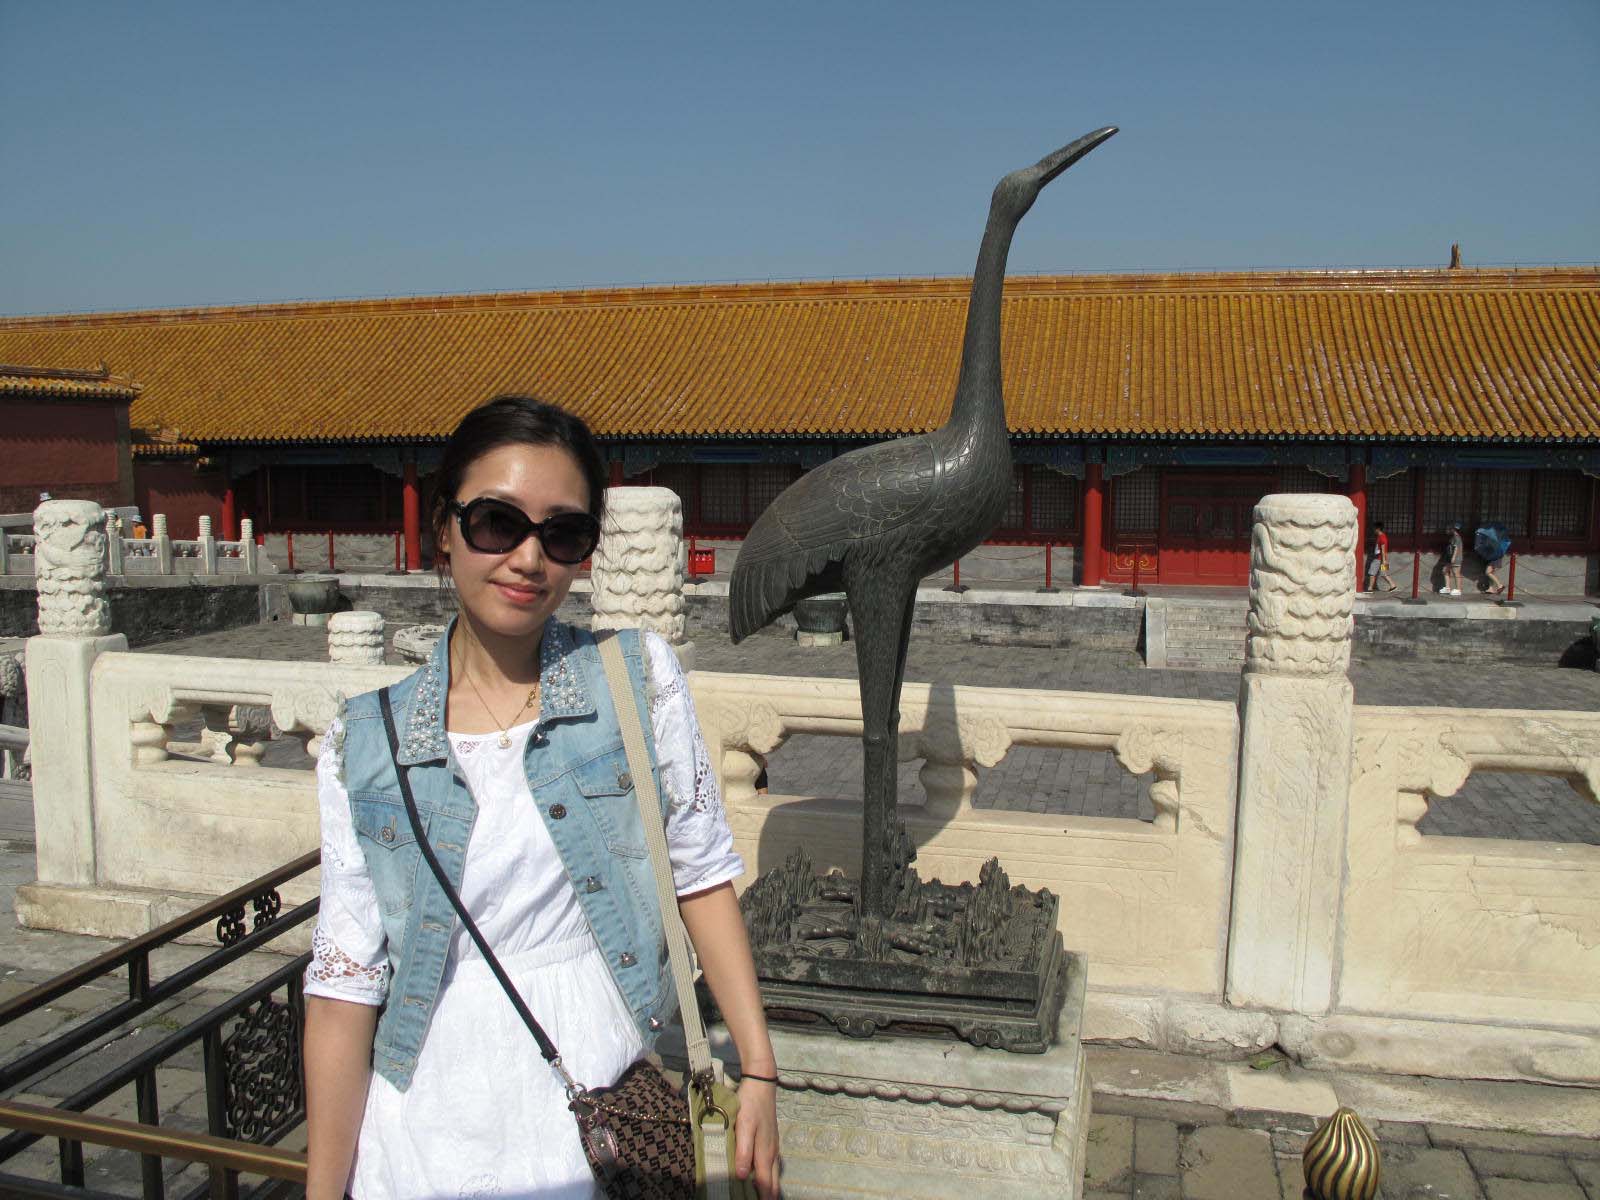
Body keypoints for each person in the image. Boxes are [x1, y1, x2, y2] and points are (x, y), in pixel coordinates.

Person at [303, 396, 780, 1200]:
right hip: (422, 1135)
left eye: (562, 534)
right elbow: (344, 989)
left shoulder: (636, 682)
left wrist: (757, 1069)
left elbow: (699, 874)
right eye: (497, 523)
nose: (529, 558)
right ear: (443, 528)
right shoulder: (366, 742)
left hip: (593, 1109)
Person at [1363, 521, 1395, 592]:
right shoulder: (1382, 536)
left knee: (1371, 572)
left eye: (1374, 528)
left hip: (1378, 559)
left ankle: (1370, 588)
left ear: (1378, 529)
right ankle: (1393, 585)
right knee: (1384, 573)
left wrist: (1384, 561)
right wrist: (1385, 560)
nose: (1373, 530)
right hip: (1382, 558)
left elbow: (1383, 550)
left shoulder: (1381, 537)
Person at [1439, 522, 1463, 596]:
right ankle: (1447, 588)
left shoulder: (1457, 537)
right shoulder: (1452, 537)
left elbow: (1456, 548)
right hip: (1450, 557)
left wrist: (1453, 557)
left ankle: (1458, 589)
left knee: (1456, 573)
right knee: (1445, 570)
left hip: (1456, 558)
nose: (1448, 530)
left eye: (1450, 529)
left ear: (1453, 529)